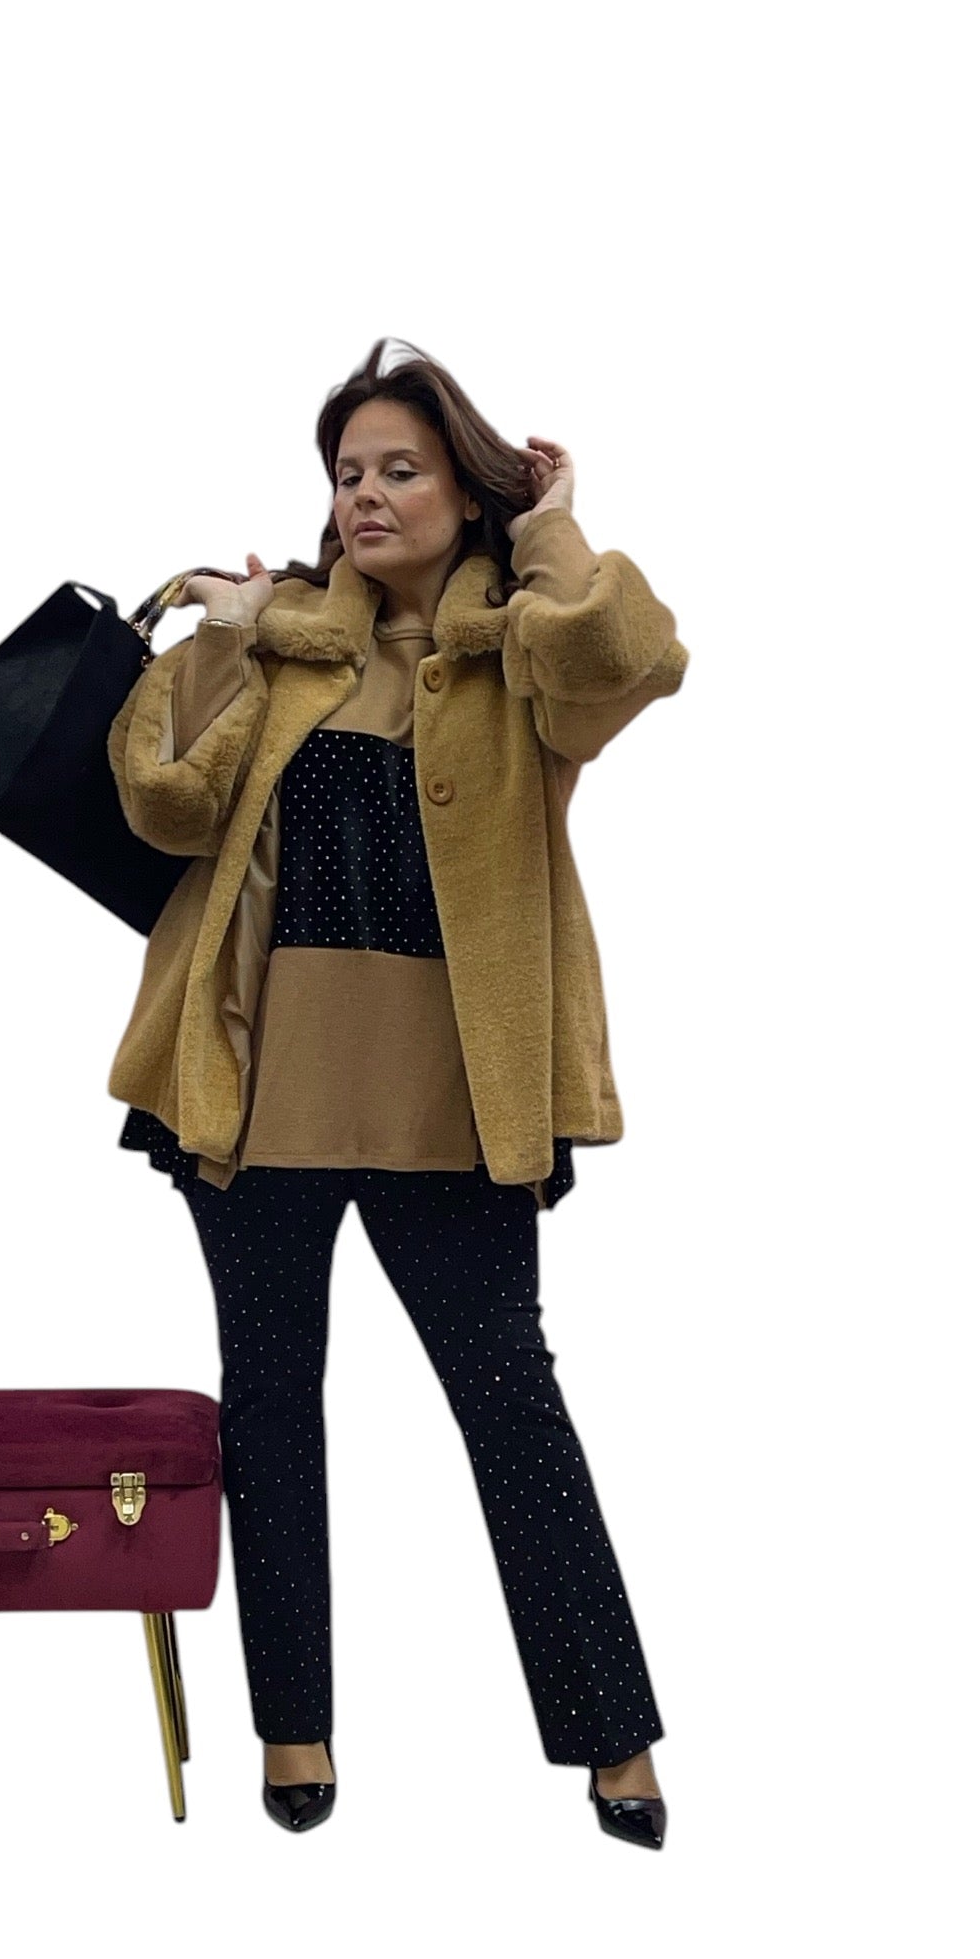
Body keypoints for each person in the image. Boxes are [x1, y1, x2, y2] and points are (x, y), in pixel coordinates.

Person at [106, 338, 688, 1847]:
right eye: (346, 473)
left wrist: (554, 524)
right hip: (253, 1102)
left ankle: (611, 1735)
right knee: (268, 1406)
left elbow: (628, 659)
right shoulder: (290, 644)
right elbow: (161, 805)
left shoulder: (524, 656)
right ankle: (292, 1727)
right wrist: (228, 637)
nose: (363, 494)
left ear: (466, 490)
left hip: (453, 1111)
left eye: (399, 469)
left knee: (513, 1410)